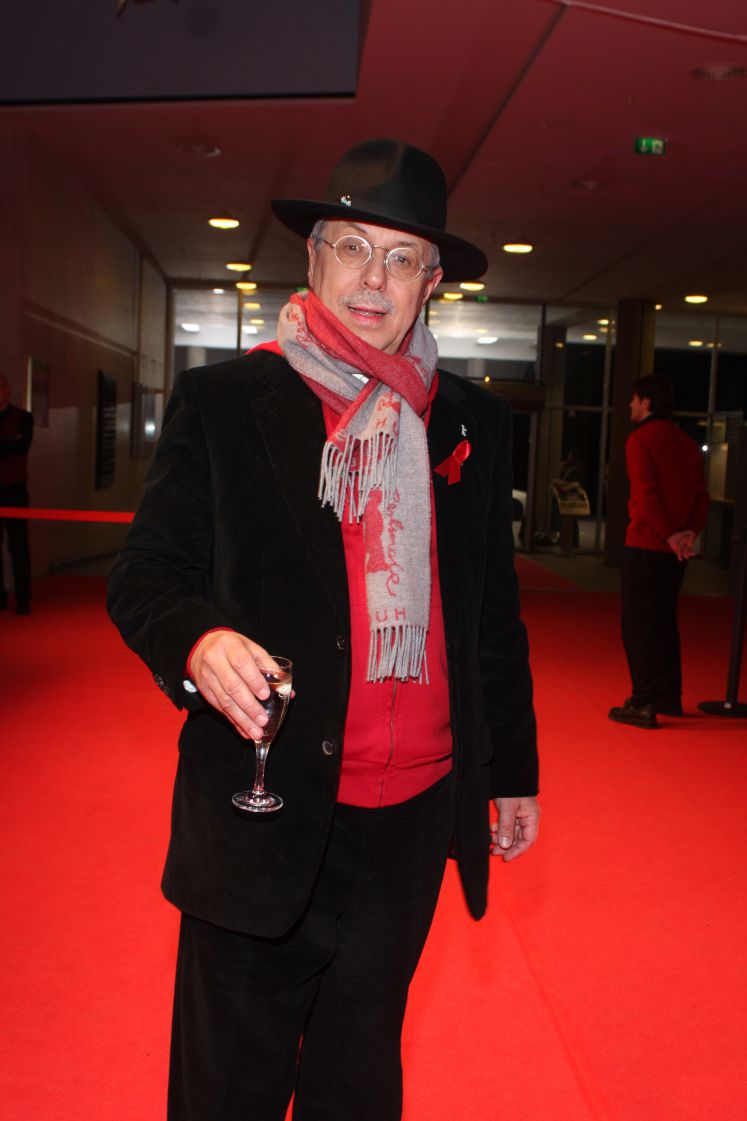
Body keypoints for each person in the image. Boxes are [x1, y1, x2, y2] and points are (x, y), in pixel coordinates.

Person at [108, 138, 540, 1121]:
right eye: (350, 246)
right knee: (231, 1085)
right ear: (312, 259)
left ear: (433, 282)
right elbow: (146, 575)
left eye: (399, 257)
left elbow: (489, 611)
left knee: (357, 1077)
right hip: (265, 802)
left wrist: (510, 764)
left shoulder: (468, 419)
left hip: (413, 817)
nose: (371, 277)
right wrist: (196, 639)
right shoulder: (227, 401)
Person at [609, 374, 710, 729]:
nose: (631, 406)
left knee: (638, 626)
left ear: (647, 402)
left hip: (646, 544)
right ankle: (669, 696)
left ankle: (643, 701)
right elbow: (701, 497)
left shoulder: (640, 441)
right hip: (675, 553)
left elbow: (645, 496)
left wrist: (668, 535)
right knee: (665, 622)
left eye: (635, 400)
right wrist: (687, 535)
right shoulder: (687, 443)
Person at [0, 374, 33, 615]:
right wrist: (7, 445)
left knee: (18, 544)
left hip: (14, 488)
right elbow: (13, 446)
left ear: (7, 389)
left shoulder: (24, 418)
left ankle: (23, 596)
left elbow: (22, 447)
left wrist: (8, 446)